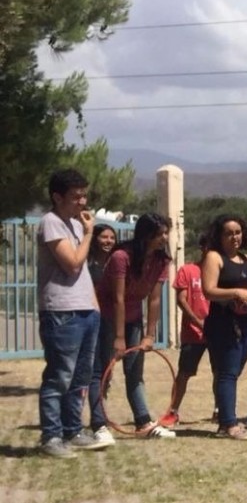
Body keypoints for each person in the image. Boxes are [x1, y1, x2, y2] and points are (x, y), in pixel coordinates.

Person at [36, 168, 110, 457]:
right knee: (59, 376)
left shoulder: (75, 225)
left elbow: (84, 276)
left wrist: (94, 306)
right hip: (62, 311)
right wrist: (90, 232)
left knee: (80, 378)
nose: (82, 202)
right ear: (57, 197)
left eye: (84, 195)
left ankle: (74, 430)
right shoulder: (51, 223)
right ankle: (51, 437)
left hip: (85, 310)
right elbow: (73, 264)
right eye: (76, 197)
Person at [90, 212, 176, 439]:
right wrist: (119, 337)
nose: (165, 238)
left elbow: (155, 298)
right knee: (102, 372)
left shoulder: (161, 261)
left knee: (134, 371)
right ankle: (99, 424)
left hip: (134, 316)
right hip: (107, 315)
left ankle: (143, 421)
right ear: (146, 235)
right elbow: (117, 298)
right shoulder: (121, 256)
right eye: (160, 234)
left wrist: (149, 335)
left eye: (167, 233)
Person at [202, 214, 247, 441]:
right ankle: (229, 423)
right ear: (219, 235)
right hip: (222, 323)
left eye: (237, 232)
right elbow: (208, 290)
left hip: (246, 324)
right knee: (227, 373)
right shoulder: (214, 257)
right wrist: (236, 293)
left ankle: (223, 419)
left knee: (233, 372)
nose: (234, 237)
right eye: (229, 233)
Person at [159, 234, 215, 427]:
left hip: (217, 332)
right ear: (202, 247)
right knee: (184, 373)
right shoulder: (188, 270)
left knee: (221, 373)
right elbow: (181, 300)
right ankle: (173, 411)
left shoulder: (221, 272)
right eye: (209, 246)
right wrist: (198, 322)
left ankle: (220, 410)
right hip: (193, 333)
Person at [87, 224, 117, 288]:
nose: (109, 241)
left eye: (112, 238)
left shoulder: (116, 261)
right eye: (104, 237)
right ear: (94, 239)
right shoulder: (86, 262)